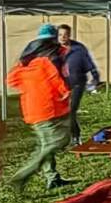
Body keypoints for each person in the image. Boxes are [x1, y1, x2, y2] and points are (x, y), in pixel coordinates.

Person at [7, 24, 73, 192]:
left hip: (32, 109)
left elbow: (12, 80)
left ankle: (52, 178)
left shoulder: (26, 62)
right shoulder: (49, 60)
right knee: (60, 140)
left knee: (47, 144)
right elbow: (59, 82)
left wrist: (32, 86)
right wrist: (67, 93)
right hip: (49, 108)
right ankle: (23, 175)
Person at [57, 25, 101, 146]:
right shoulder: (54, 49)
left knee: (71, 110)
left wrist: (95, 77)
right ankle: (62, 137)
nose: (62, 37)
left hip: (77, 83)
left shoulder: (78, 48)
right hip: (60, 85)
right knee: (62, 112)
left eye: (65, 35)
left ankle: (76, 137)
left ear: (69, 35)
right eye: (60, 35)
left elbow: (89, 63)